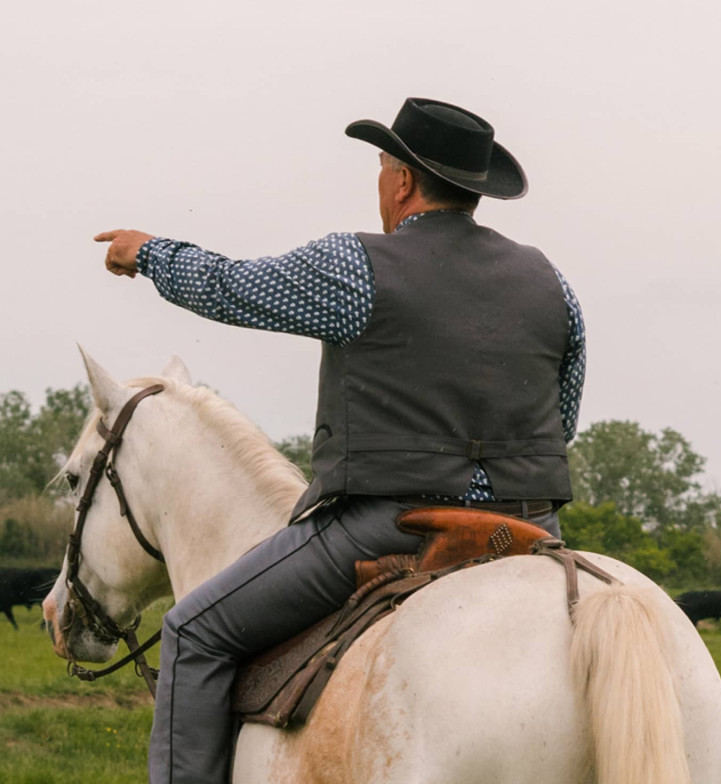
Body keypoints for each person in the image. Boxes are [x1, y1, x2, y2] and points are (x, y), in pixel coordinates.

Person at [96, 97, 586, 784]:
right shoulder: (552, 285)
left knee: (191, 633)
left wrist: (149, 253)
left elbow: (232, 287)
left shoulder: (357, 266)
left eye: (383, 166)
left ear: (403, 182)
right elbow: (558, 420)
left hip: (391, 526)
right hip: (531, 527)